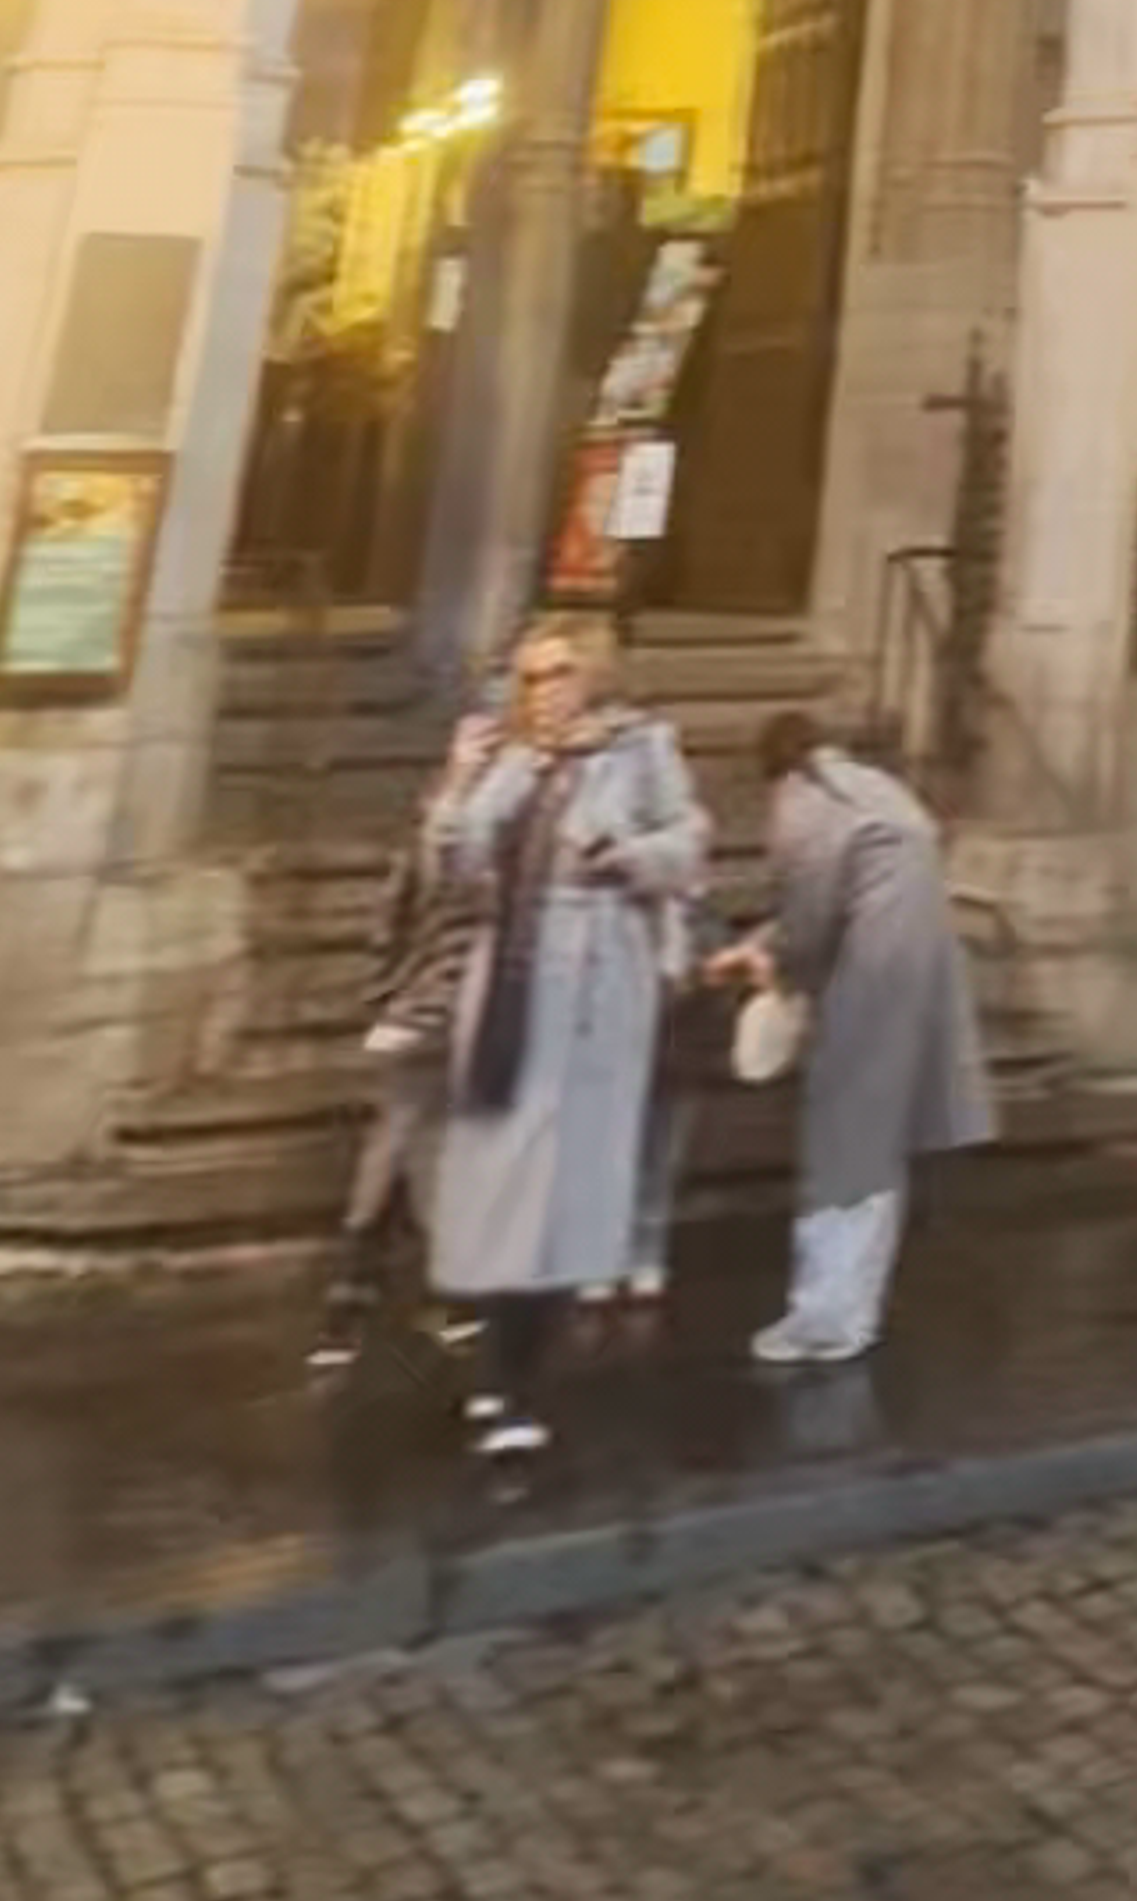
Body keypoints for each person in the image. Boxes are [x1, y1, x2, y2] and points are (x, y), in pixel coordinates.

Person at [426, 615, 710, 1462]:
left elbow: (689, 845)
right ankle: (493, 1367)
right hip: (511, 980)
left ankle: (520, 1378)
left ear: (591, 674)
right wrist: (460, 785)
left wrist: (623, 852)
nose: (539, 691)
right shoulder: (506, 758)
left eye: (554, 673)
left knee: (563, 1190)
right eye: (526, 676)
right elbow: (455, 865)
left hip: (595, 982)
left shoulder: (640, 748)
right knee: (497, 1184)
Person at [722, 713, 995, 1369]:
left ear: (775, 766)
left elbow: (811, 915)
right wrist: (767, 944)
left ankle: (827, 1319)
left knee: (846, 1148)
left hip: (869, 977)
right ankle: (851, 1307)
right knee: (872, 1149)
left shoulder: (806, 801)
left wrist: (776, 966)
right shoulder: (873, 787)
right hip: (918, 969)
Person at [310, 693, 500, 1377]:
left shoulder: (463, 816)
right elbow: (422, 900)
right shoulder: (451, 822)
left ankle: (360, 1286)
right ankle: (428, 1289)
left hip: (447, 1006)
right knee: (418, 1142)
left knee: (406, 1139)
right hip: (436, 1007)